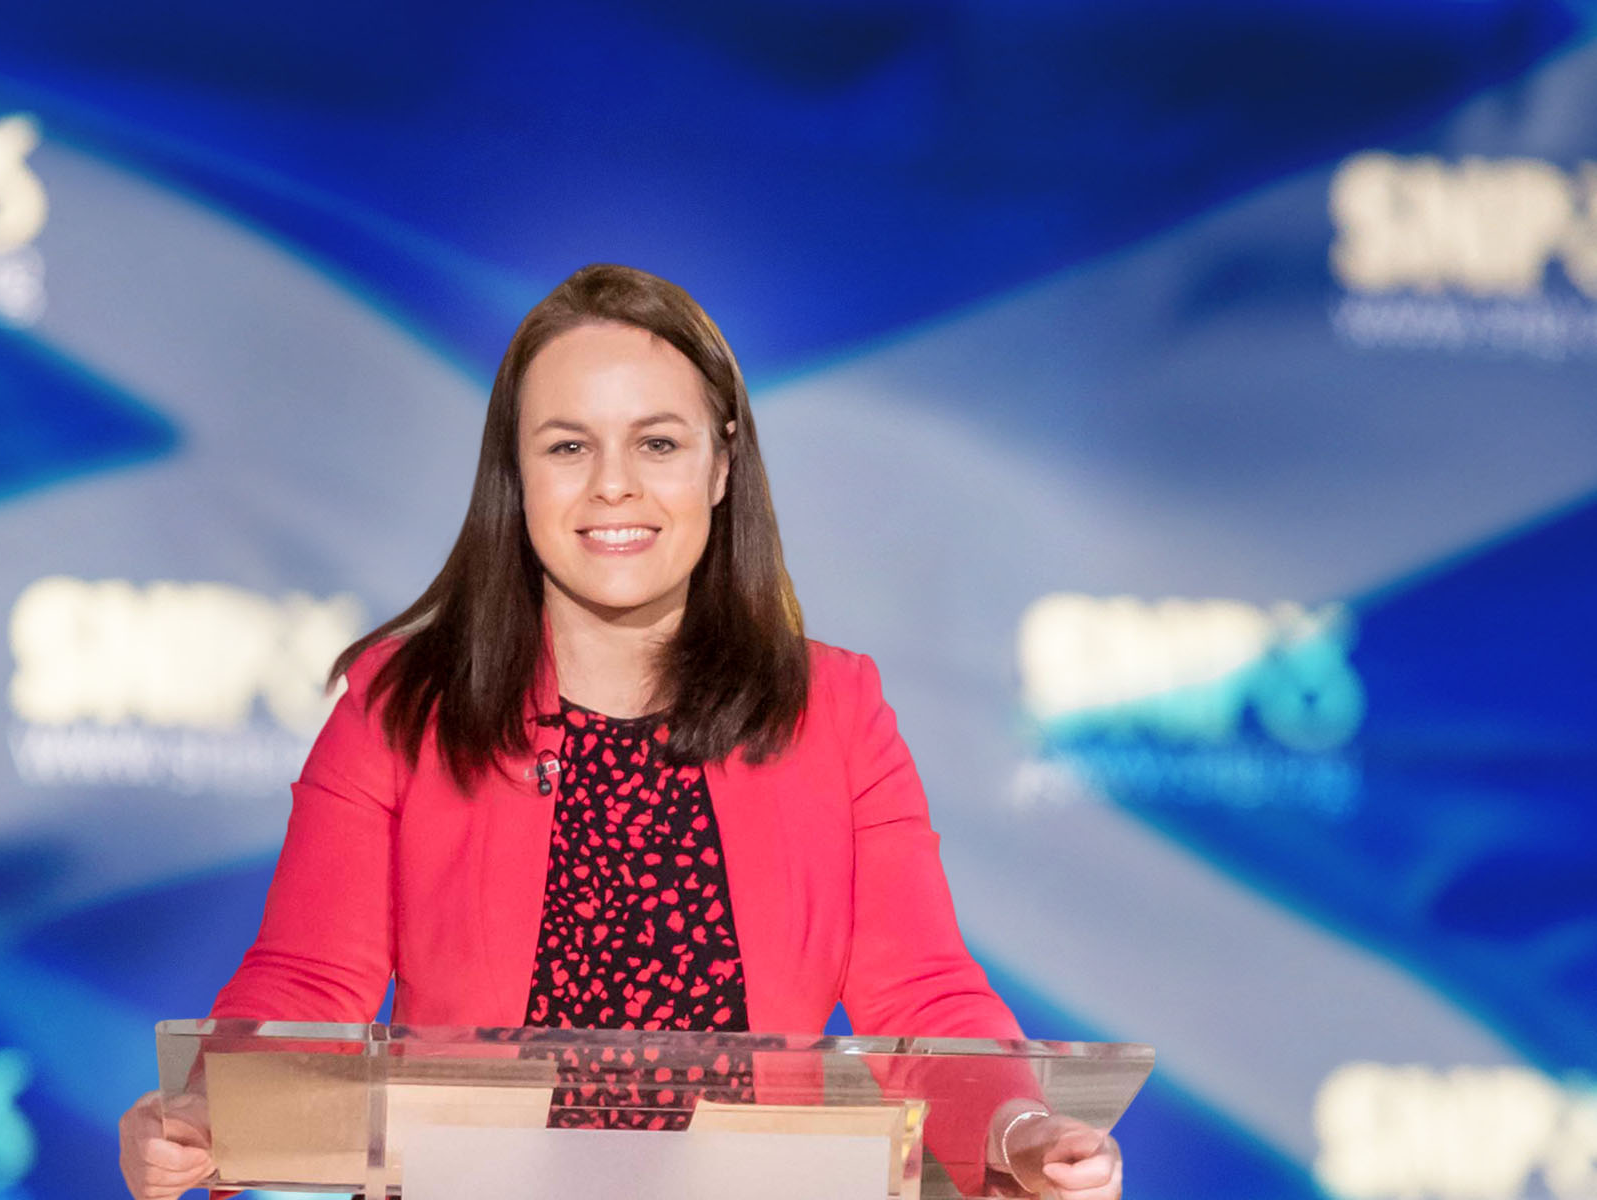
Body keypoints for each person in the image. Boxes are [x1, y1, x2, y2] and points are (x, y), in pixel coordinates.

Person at [118, 264, 1125, 1200]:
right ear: (517, 476)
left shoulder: (834, 711)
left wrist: (1020, 1128)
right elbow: (306, 984)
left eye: (657, 443)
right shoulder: (400, 704)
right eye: (567, 446)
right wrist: (211, 1107)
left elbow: (922, 1000)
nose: (614, 485)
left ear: (722, 465)